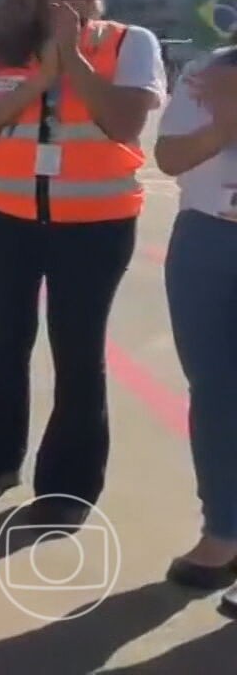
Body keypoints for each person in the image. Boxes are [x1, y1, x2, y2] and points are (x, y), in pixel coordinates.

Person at [0, 0, 164, 526]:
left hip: (94, 226)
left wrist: (74, 60)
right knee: (5, 342)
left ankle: (67, 488)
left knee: (78, 351)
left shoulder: (129, 43)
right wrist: (36, 80)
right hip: (2, 220)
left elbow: (123, 122)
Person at [153, 39, 237, 597]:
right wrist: (227, 121)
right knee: (214, 392)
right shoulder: (210, 70)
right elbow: (170, 158)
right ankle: (225, 532)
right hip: (208, 238)